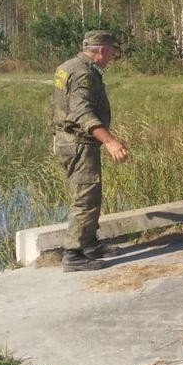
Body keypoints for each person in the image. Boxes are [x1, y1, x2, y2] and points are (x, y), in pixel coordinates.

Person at [51, 30, 129, 272]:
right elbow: (82, 113)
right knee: (85, 199)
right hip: (78, 143)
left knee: (91, 195)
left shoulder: (67, 66)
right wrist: (110, 141)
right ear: (102, 50)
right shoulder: (84, 73)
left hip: (70, 140)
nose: (112, 59)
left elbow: (58, 104)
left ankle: (90, 244)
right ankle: (73, 254)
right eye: (112, 53)